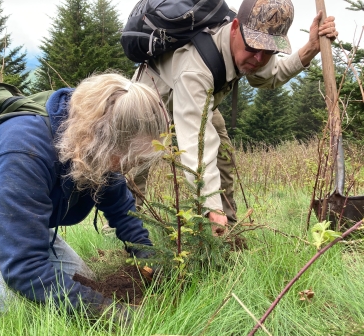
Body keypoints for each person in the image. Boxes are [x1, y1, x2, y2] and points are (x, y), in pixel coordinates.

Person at [0, 73, 168, 320]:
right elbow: (26, 271)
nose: (128, 166)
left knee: (83, 281)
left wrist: (148, 257)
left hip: (8, 222)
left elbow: (121, 210)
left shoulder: (93, 148)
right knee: (14, 311)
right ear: (101, 140)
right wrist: (115, 315)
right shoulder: (25, 151)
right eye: (127, 157)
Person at [132, 0, 338, 235]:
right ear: (234, 28)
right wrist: (210, 204)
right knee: (135, 167)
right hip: (151, 104)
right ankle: (124, 235)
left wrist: (311, 48)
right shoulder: (195, 68)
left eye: (269, 51)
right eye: (254, 48)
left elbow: (268, 76)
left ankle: (225, 231)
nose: (260, 58)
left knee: (224, 157)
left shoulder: (250, 46)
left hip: (203, 101)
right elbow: (195, 146)